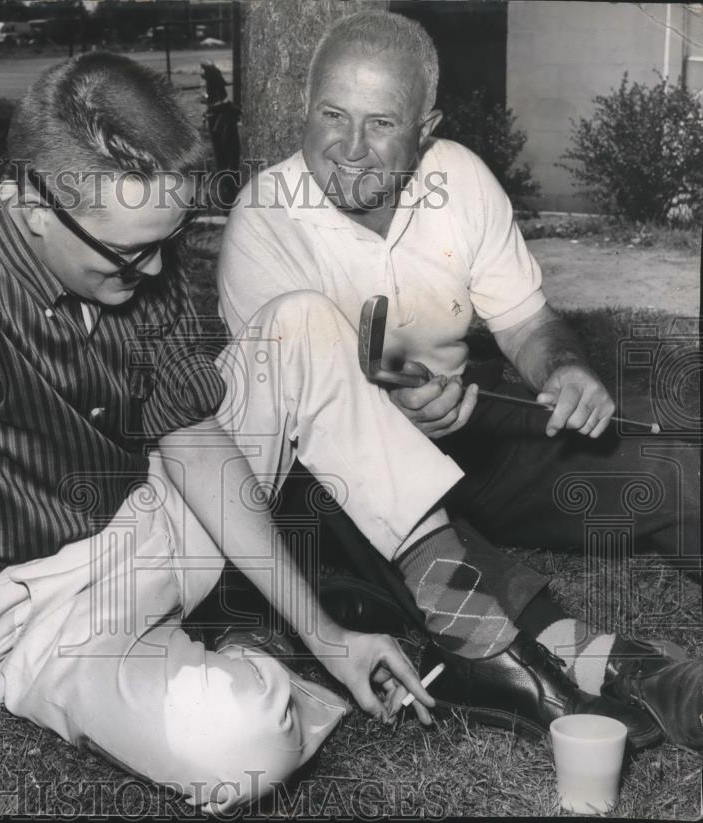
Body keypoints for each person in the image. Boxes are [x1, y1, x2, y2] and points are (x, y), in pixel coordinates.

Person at [0, 53, 447, 814]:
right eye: (132, 252)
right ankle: (251, 640)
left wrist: (329, 635)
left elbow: (192, 442)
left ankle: (463, 608)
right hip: (42, 608)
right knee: (240, 747)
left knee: (299, 322)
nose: (160, 267)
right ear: (29, 203)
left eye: (170, 236)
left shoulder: (133, 249)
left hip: (152, 512)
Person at [216, 10, 701, 751]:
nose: (349, 148)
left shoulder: (460, 177)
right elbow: (326, 433)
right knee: (413, 532)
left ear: (425, 127)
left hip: (470, 429)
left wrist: (563, 368)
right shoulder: (262, 225)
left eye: (381, 123)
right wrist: (406, 417)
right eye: (331, 115)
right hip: (334, 483)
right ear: (303, 109)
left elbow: (527, 325)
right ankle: (606, 662)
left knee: (674, 456)